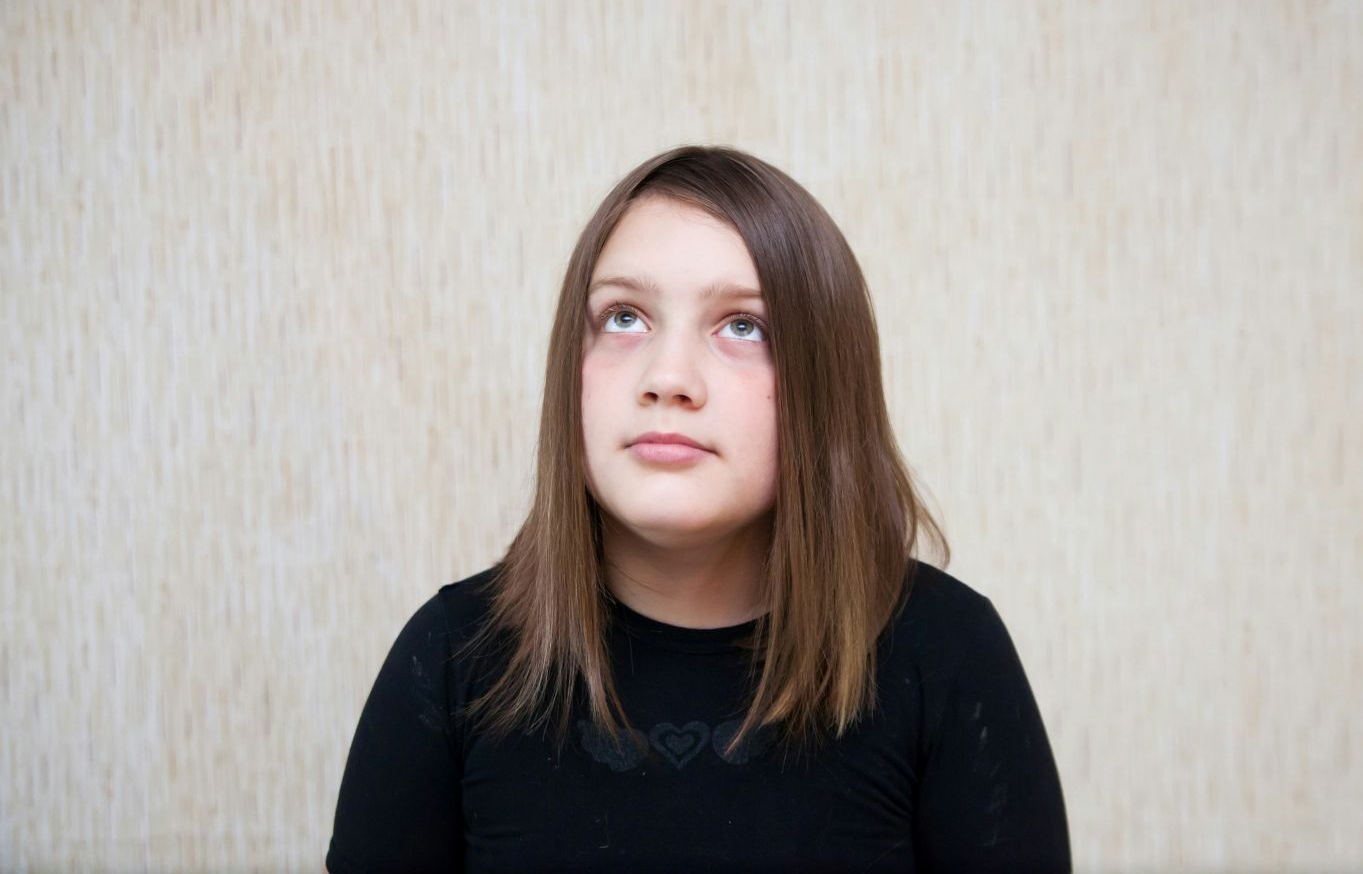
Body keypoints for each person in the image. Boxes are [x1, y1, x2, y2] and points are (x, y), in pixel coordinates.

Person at [325, 145, 1070, 872]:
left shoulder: (947, 657)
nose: (668, 377)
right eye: (623, 317)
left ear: (824, 384)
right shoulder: (450, 662)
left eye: (743, 326)